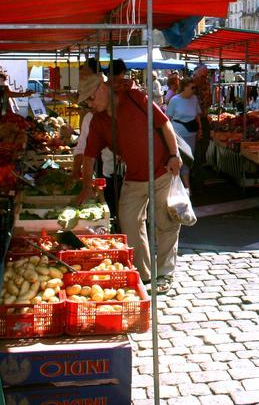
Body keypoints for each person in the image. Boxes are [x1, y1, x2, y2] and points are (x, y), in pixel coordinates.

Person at [79, 82, 183, 293]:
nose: (89, 105)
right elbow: (89, 155)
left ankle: (164, 273)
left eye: (90, 98)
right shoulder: (98, 121)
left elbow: (164, 124)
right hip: (134, 177)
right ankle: (143, 273)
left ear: (101, 89)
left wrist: (175, 154)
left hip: (162, 170)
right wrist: (86, 186)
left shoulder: (136, 98)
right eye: (85, 102)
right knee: (128, 220)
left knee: (166, 222)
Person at [166, 78, 202, 186]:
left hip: (191, 134)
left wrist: (200, 129)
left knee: (189, 160)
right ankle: (186, 187)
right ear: (185, 87)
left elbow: (197, 115)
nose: (194, 90)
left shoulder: (194, 98)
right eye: (192, 87)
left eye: (195, 88)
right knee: (179, 159)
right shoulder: (174, 100)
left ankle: (184, 186)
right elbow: (168, 118)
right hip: (178, 134)